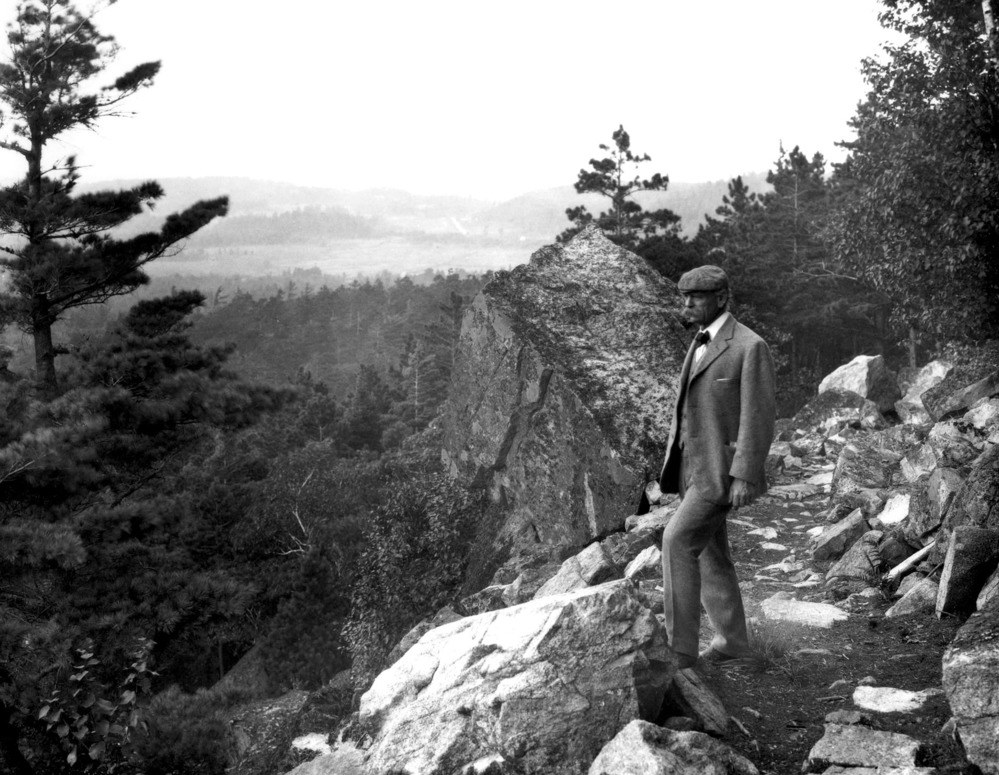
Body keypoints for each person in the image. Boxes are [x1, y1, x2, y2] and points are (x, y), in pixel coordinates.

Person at [658, 265, 776, 669]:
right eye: (684, 296)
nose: (687, 303)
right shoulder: (699, 341)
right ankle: (732, 644)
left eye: (696, 296)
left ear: (721, 298)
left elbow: (758, 417)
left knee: (676, 541)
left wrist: (745, 474)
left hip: (720, 471)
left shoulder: (750, 346)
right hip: (690, 468)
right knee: (710, 553)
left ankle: (679, 653)